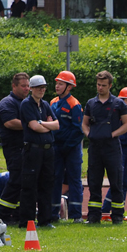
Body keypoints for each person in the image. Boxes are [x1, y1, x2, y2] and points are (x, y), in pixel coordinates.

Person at [81, 71, 127, 224]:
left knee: (116, 182)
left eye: (103, 85)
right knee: (94, 183)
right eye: (98, 85)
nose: (100, 88)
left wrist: (113, 134)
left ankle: (117, 216)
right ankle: (94, 216)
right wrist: (89, 135)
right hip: (95, 148)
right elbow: (84, 123)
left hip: (112, 147)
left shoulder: (118, 104)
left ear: (110, 86)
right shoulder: (91, 103)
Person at [19, 75, 59, 228]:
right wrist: (46, 124)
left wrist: (43, 124)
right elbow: (34, 127)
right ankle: (27, 221)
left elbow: (56, 125)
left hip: (48, 151)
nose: (41, 90)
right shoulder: (26, 104)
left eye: (43, 87)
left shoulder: (45, 104)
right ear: (31, 89)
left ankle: (45, 220)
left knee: (46, 185)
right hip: (33, 150)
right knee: (29, 186)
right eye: (38, 87)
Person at [0, 72, 30, 225]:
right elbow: (10, 122)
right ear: (14, 86)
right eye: (23, 86)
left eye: (28, 86)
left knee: (24, 182)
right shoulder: (7, 103)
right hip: (14, 149)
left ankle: (16, 215)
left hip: (27, 148)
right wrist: (32, 124)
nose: (27, 89)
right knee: (16, 181)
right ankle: (2, 215)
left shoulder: (28, 102)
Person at [50, 71, 84, 222]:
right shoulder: (53, 102)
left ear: (69, 87)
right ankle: (53, 213)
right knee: (54, 179)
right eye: (57, 83)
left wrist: (67, 146)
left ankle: (76, 215)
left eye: (61, 83)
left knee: (74, 179)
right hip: (56, 148)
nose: (57, 86)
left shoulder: (75, 105)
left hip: (71, 150)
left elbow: (78, 130)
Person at [102, 87, 127, 214]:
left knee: (124, 183)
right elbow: (121, 137)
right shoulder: (116, 115)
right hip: (119, 152)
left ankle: (118, 209)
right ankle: (106, 209)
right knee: (117, 182)